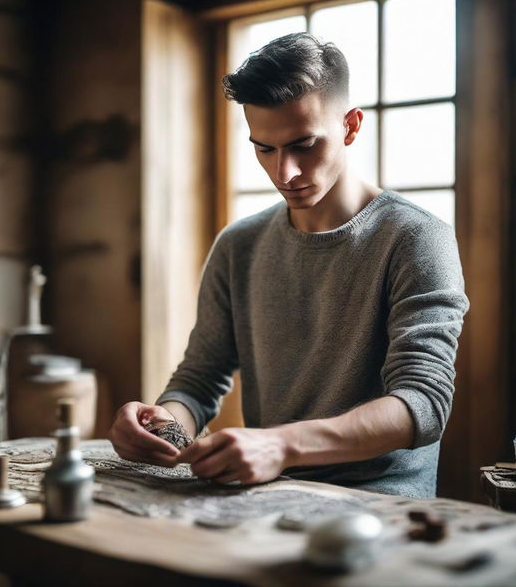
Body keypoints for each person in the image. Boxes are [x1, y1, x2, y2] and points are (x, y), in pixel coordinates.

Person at [108, 32, 469, 498]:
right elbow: (199, 380)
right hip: (262, 499)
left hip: (384, 509)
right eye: (265, 149)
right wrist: (162, 422)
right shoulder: (239, 245)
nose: (285, 173)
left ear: (351, 126)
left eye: (304, 145)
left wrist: (281, 445)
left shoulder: (417, 238)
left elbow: (424, 404)